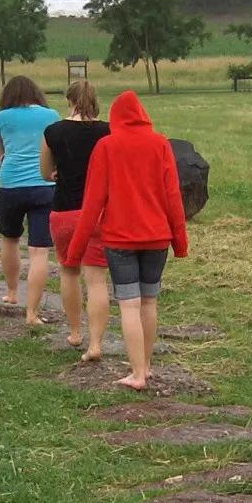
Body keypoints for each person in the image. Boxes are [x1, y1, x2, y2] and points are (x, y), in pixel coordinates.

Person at [62, 90, 187, 391]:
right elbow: (173, 197)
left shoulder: (107, 146)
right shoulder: (160, 144)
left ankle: (137, 374)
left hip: (120, 240)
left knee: (129, 306)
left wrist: (74, 252)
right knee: (149, 302)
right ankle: (146, 365)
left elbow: (92, 203)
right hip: (157, 238)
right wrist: (180, 242)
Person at [39, 81, 110, 358]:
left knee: (69, 271)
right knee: (96, 280)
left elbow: (45, 173)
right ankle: (96, 344)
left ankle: (74, 332)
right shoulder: (107, 131)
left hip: (65, 211)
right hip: (98, 214)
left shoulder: (53, 132)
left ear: (69, 101)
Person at [0, 76, 61, 326]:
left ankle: (11, 292)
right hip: (44, 186)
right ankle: (32, 313)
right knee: (39, 251)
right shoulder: (51, 115)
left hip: (11, 186)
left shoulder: (2, 117)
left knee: (10, 239)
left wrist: (8, 163)